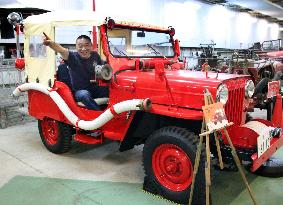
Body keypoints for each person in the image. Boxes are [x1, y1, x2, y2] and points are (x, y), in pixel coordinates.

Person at [43, 33, 109, 110]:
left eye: (87, 45)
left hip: (94, 88)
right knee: (84, 95)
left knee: (114, 89)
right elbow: (62, 50)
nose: (83, 49)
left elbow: (99, 74)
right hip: (80, 91)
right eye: (80, 46)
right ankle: (100, 115)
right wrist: (50, 43)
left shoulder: (95, 55)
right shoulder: (73, 57)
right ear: (76, 47)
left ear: (91, 46)